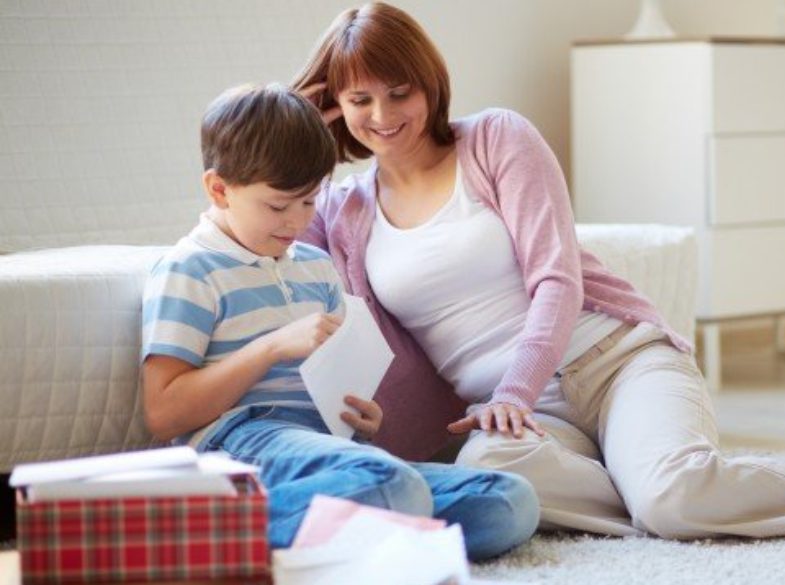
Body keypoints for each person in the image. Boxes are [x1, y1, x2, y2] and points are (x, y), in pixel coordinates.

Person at [293, 2, 785, 539]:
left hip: (616, 361)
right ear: (336, 104)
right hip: (523, 420)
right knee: (486, 472)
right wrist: (306, 130)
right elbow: (297, 255)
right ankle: (655, 480)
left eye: (399, 92)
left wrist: (514, 386)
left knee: (674, 498)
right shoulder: (342, 210)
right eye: (359, 100)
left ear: (430, 85)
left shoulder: (495, 138)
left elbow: (557, 279)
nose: (383, 115)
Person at [140, 83, 539, 559]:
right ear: (219, 189)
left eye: (308, 203)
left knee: (508, 501)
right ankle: (200, 527)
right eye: (277, 205)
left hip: (325, 449)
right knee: (394, 486)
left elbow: (336, 389)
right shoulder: (190, 270)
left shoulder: (312, 265)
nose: (294, 222)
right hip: (242, 442)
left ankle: (352, 538)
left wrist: (362, 423)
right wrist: (270, 347)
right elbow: (163, 414)